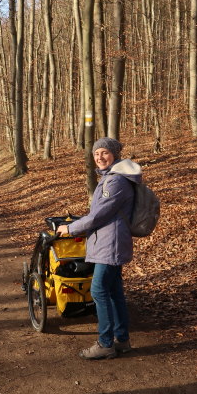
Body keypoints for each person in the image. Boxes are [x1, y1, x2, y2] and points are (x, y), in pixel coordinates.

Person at [56, 137, 141, 360]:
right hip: (108, 242)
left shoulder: (115, 182)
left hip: (109, 244)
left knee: (99, 291)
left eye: (104, 152)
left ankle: (105, 343)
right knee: (114, 293)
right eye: (96, 154)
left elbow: (97, 216)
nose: (100, 157)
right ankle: (121, 340)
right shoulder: (111, 179)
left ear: (114, 154)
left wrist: (70, 229)